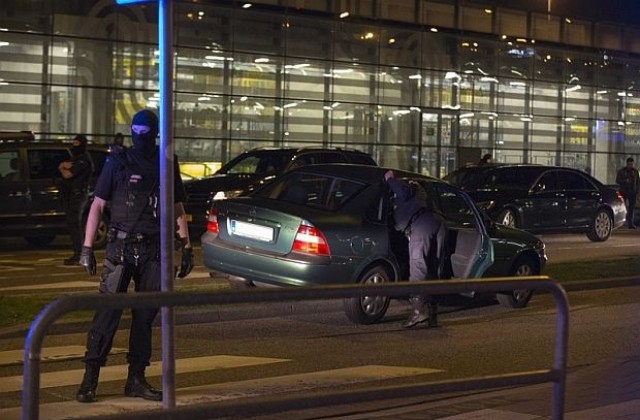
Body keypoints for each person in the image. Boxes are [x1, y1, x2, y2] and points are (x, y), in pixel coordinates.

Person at [75, 109, 195, 403]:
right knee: (107, 314)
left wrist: (187, 244)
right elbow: (98, 204)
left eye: (145, 131)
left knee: (144, 317)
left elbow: (177, 205)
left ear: (154, 133)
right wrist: (87, 247)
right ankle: (90, 378)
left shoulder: (166, 162)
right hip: (120, 248)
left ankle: (136, 379)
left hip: (154, 248)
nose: (140, 137)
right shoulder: (117, 161)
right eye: (136, 131)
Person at [384, 170, 447, 328]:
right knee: (433, 268)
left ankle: (419, 313)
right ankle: (432, 314)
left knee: (418, 266)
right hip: (437, 222)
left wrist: (390, 179)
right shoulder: (420, 194)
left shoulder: (410, 187)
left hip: (421, 224)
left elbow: (403, 192)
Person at [57, 134, 93, 265]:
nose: (74, 145)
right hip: (73, 195)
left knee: (74, 225)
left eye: (77, 143)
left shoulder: (83, 160)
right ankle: (79, 253)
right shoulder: (78, 158)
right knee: (73, 224)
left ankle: (79, 254)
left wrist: (61, 167)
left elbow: (68, 174)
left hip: (78, 195)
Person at [616, 157, 639, 229]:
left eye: (631, 164)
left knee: (631, 208)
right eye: (629, 164)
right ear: (627, 164)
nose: (630, 166)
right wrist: (624, 181)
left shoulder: (635, 172)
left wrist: (637, 192)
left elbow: (638, 182)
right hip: (624, 191)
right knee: (623, 207)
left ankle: (630, 223)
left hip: (632, 192)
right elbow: (617, 180)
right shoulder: (622, 171)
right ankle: (622, 222)